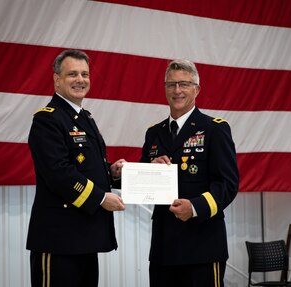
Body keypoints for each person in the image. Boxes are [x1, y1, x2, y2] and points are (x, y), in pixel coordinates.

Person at [26, 49, 126, 287]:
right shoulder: (48, 119)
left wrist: (111, 171)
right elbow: (59, 173)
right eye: (72, 74)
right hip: (58, 239)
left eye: (85, 74)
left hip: (85, 238)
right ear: (57, 79)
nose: (80, 80)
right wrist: (101, 198)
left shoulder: (84, 118)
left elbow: (86, 166)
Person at [140, 59, 239, 287]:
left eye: (184, 84)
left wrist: (195, 207)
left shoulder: (215, 129)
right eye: (171, 85)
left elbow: (228, 184)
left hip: (202, 246)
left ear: (196, 89)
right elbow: (143, 183)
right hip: (163, 248)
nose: (177, 90)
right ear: (164, 89)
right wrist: (147, 171)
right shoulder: (153, 133)